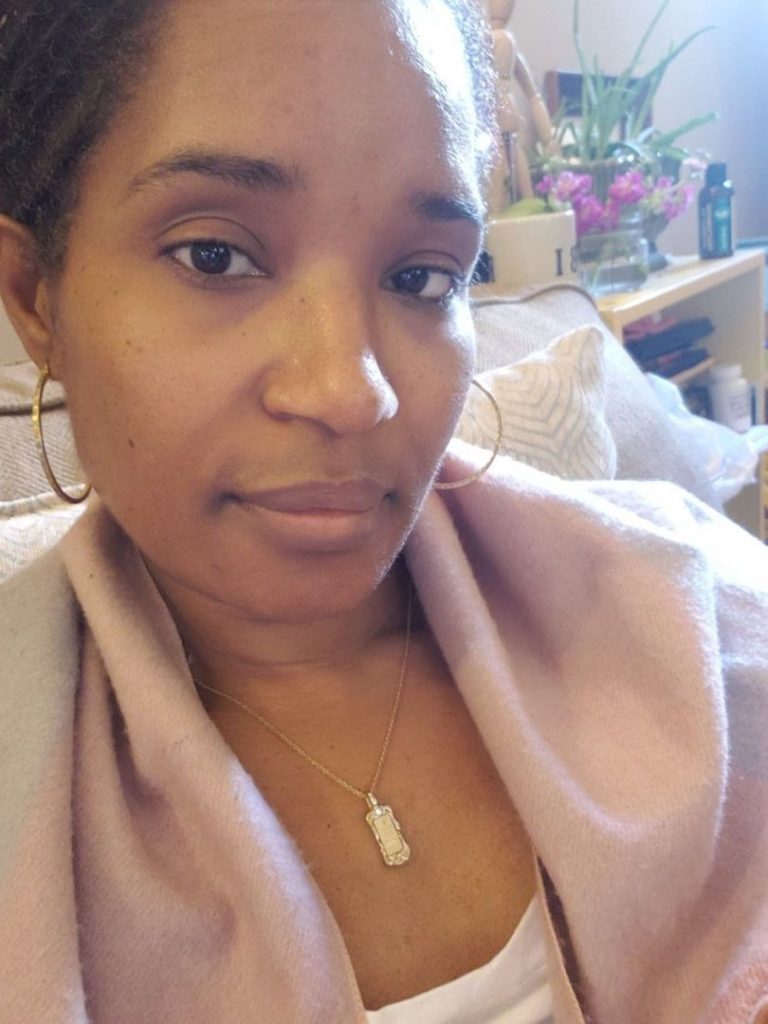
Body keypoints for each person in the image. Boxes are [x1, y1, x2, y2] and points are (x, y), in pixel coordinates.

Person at [0, 2, 766, 1022]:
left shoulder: (693, 616)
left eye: (421, 276)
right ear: (35, 294)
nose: (352, 392)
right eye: (215, 255)